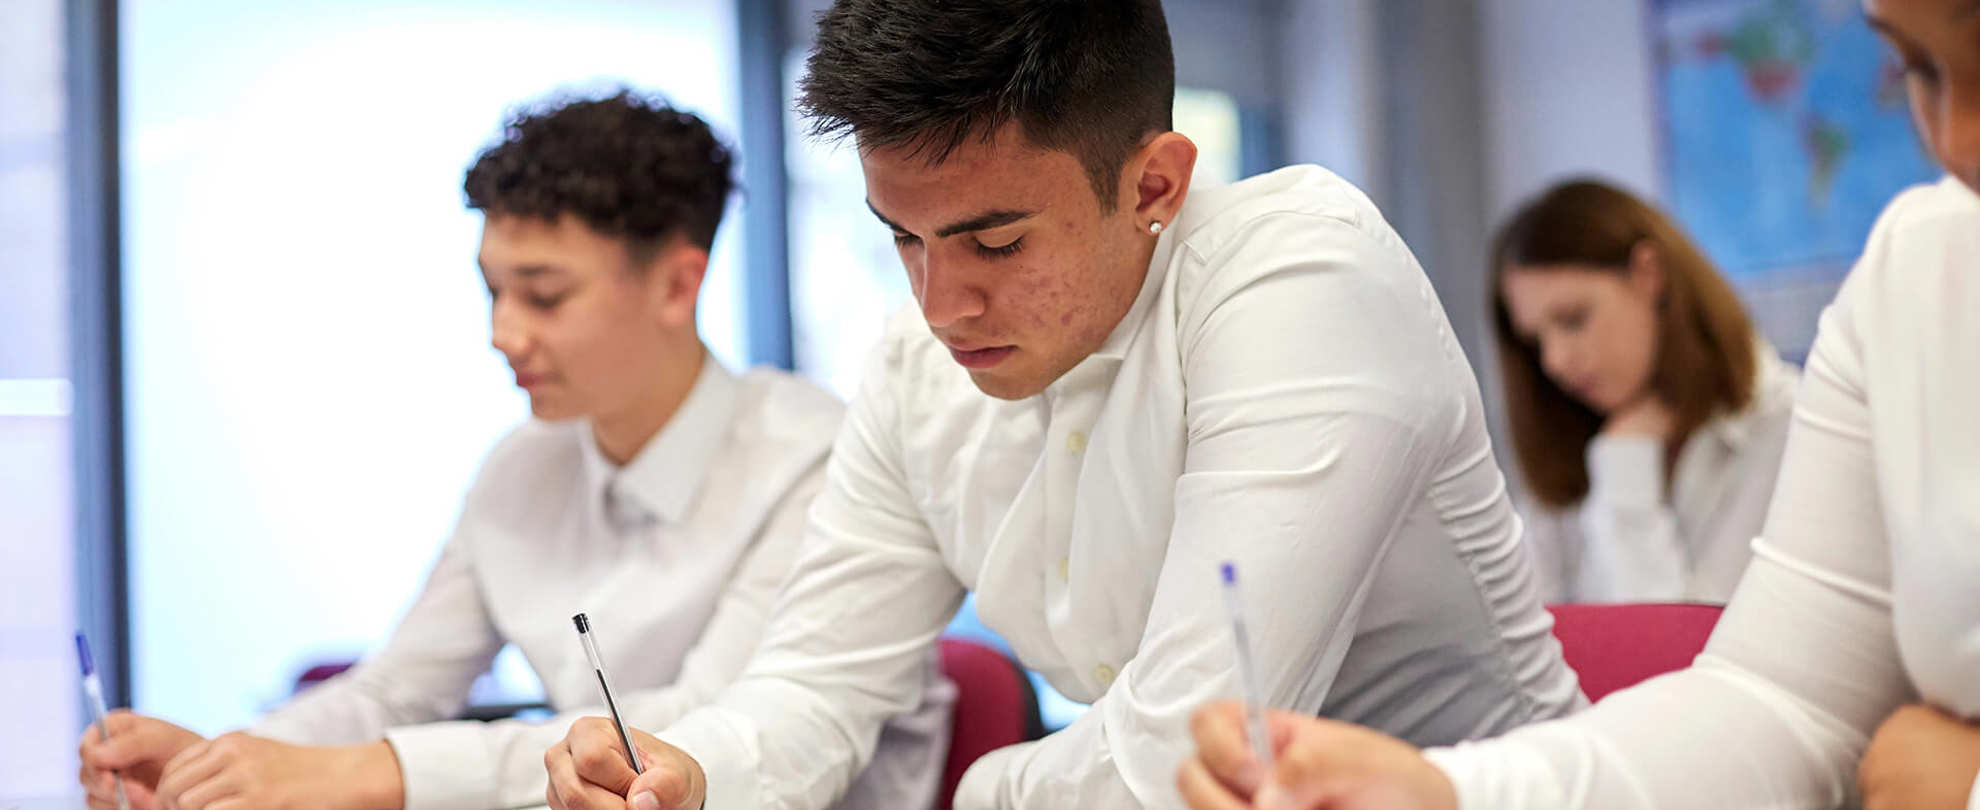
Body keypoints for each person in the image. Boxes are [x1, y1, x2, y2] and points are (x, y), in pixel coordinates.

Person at [540, 2, 1584, 809]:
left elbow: (1188, 756)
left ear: (1155, 188)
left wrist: (985, 788)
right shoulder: (915, 366)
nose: (942, 306)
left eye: (996, 243)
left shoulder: (1301, 274)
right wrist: (695, 769)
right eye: (905, 238)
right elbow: (817, 684)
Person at [1179, 0, 1980, 806]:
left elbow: (1666, 635)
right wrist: (1445, 791)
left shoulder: (1779, 426)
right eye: (1918, 69)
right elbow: (1784, 700)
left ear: (1648, 277)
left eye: (1574, 321)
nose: (1955, 144)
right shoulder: (1914, 270)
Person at [75, 91, 950, 810]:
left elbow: (692, 734)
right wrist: (228, 761)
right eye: (492, 291)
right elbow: (395, 690)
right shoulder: (521, 467)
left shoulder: (815, 460)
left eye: (543, 295)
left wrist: (371, 773)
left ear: (678, 283)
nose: (503, 334)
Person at [1491, 180, 1798, 603]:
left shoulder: (1789, 430)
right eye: (1535, 341)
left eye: (1573, 319)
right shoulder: (1569, 444)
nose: (1554, 361)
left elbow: (1676, 651)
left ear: (1648, 275)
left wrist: (1624, 467)